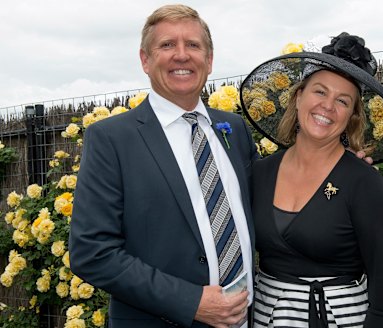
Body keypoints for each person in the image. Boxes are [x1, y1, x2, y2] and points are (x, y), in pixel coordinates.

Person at [69, 4, 258, 328]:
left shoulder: (234, 129)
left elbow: (267, 200)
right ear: (145, 59)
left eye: (193, 45)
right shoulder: (111, 140)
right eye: (167, 45)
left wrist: (335, 164)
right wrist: (191, 302)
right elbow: (92, 252)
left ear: (209, 60)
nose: (181, 55)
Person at [239, 32, 383, 327]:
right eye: (320, 91)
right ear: (299, 96)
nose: (328, 106)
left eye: (342, 100)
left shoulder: (363, 183)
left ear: (352, 116)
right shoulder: (260, 173)